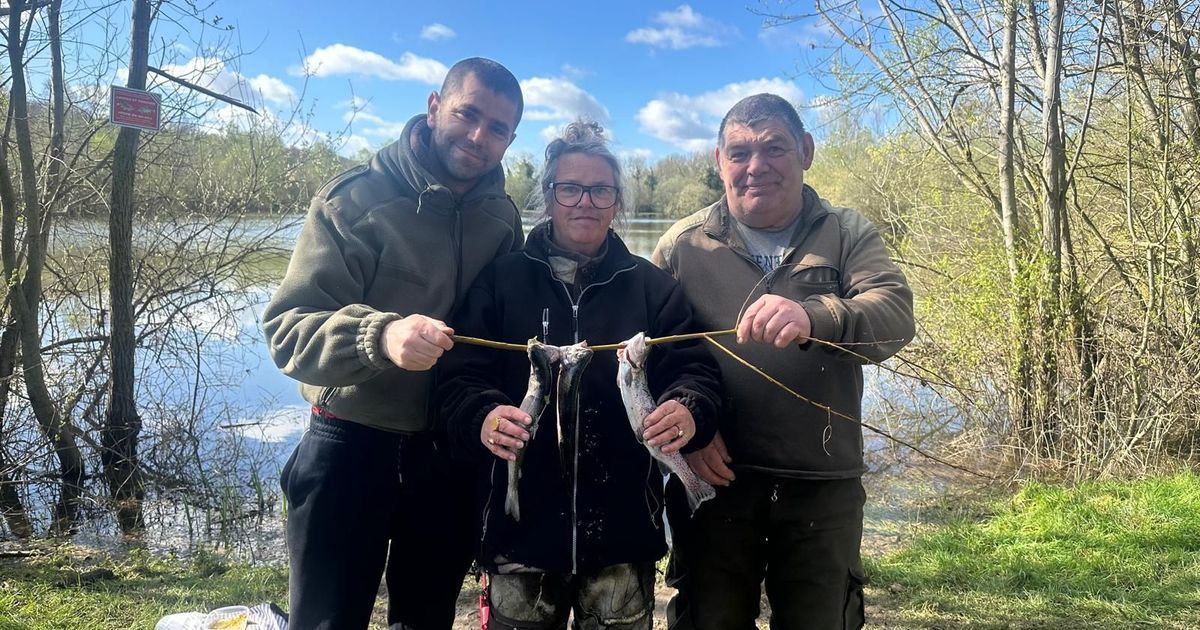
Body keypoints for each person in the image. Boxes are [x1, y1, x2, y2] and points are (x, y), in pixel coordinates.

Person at [262, 57, 524, 629]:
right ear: (434, 107)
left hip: (449, 455)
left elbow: (504, 338)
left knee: (426, 620)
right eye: (467, 114)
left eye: (498, 128)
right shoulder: (354, 200)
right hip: (349, 444)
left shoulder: (504, 219)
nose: (478, 136)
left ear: (510, 140)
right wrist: (378, 335)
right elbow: (287, 328)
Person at [437, 121, 723, 630]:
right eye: (570, 188)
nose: (585, 202)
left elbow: (695, 369)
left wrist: (688, 409)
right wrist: (481, 417)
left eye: (600, 190)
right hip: (519, 536)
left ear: (617, 202)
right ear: (548, 197)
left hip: (623, 535)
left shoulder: (652, 287)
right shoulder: (500, 281)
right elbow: (456, 380)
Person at [652, 93, 915, 629]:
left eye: (774, 148)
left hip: (822, 484)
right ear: (719, 161)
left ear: (806, 151)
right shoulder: (682, 245)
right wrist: (690, 434)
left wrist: (816, 316)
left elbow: (895, 315)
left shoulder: (845, 232)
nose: (757, 166)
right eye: (740, 152)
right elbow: (642, 356)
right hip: (715, 483)